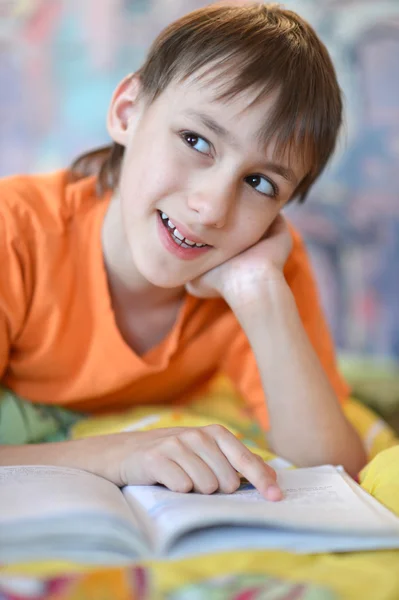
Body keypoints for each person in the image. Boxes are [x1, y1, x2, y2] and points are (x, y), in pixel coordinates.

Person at [0, 3, 366, 500]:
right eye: (196, 140)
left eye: (259, 183)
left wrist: (260, 296)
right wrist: (118, 454)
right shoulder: (16, 229)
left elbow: (333, 468)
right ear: (127, 111)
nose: (212, 208)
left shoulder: (261, 264)